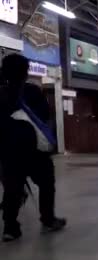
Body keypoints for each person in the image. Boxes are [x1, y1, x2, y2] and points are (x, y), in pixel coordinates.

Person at [0, 54, 66, 242]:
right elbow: (44, 116)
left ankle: (10, 228)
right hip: (35, 151)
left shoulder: (1, 94)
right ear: (25, 71)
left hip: (8, 153)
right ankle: (48, 219)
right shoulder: (32, 91)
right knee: (46, 184)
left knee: (12, 190)